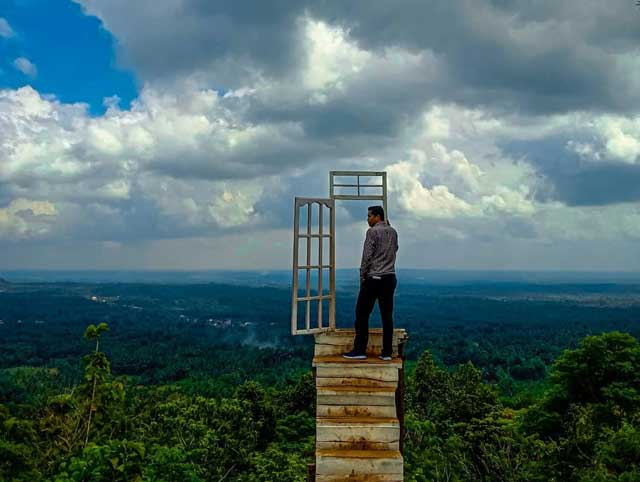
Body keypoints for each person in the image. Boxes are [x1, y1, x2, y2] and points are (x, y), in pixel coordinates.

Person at [343, 206, 398, 361]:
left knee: (361, 314)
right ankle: (387, 352)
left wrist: (362, 277)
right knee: (387, 316)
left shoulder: (372, 232)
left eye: (369, 216)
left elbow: (367, 256)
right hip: (390, 277)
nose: (368, 219)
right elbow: (396, 249)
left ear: (377, 216)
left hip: (374, 278)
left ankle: (360, 350)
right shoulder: (393, 232)